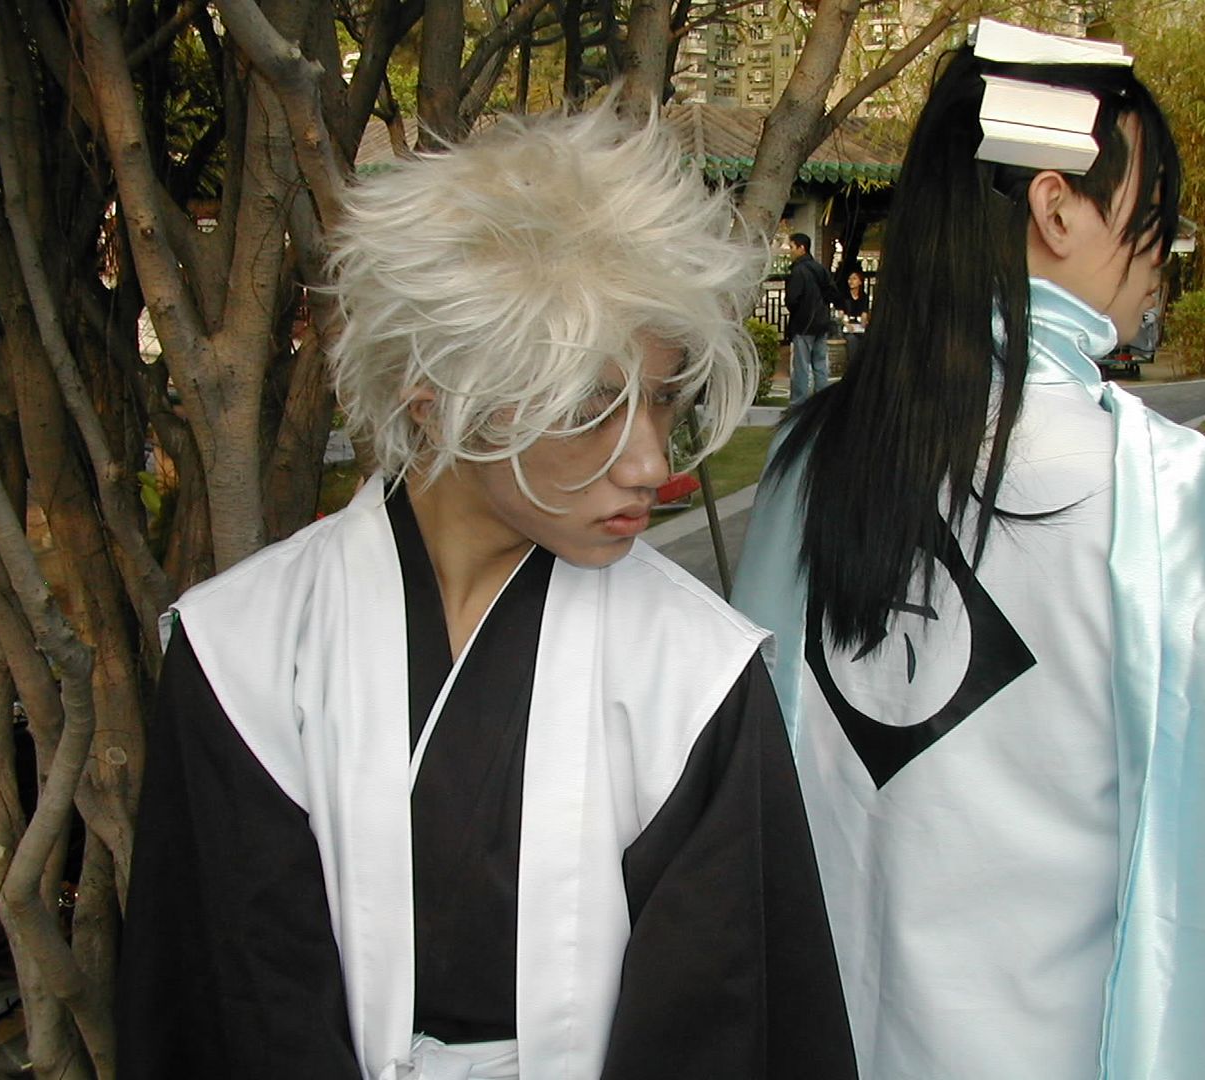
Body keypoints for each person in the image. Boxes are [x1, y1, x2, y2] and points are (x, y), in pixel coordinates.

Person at [116, 106, 857, 1080]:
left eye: (660, 399)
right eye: (590, 407)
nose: (649, 463)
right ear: (435, 396)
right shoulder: (247, 655)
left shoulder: (691, 673)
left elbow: (720, 1022)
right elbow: (237, 1007)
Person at [732, 19, 1205, 1080]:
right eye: (1154, 210)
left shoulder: (807, 465)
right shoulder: (1182, 520)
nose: (1162, 254)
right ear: (1058, 206)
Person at [783, 232, 835, 403]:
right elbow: (831, 292)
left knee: (801, 366)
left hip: (803, 324)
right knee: (820, 365)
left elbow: (792, 299)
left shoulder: (798, 271)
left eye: (791, 247)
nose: (789, 251)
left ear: (801, 248)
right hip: (822, 322)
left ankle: (798, 404)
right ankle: (821, 402)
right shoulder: (820, 269)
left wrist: (798, 312)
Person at [837, 270, 869, 368]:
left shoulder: (864, 297)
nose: (851, 281)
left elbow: (864, 313)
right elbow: (840, 314)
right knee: (852, 340)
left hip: (859, 326)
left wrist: (864, 320)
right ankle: (853, 367)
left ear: (860, 282)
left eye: (854, 279)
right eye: (849, 279)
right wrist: (846, 324)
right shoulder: (844, 296)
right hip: (847, 325)